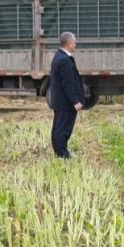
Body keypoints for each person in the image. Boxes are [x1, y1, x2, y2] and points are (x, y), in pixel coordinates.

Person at [49, 31, 84, 159]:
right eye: (74, 43)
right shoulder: (64, 60)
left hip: (61, 101)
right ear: (69, 44)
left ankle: (60, 152)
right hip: (65, 102)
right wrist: (75, 101)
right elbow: (68, 84)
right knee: (63, 128)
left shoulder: (60, 56)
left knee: (59, 127)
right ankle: (62, 154)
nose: (75, 45)